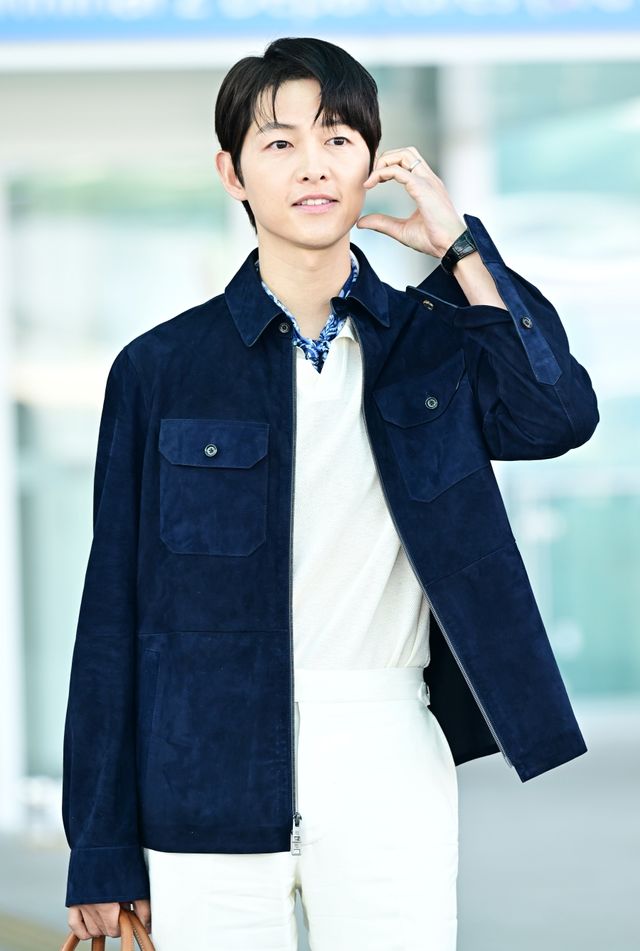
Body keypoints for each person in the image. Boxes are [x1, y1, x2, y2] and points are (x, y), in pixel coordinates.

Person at [62, 36, 599, 950]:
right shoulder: (160, 368)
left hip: (384, 743)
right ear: (232, 173)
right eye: (280, 143)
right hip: (202, 757)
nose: (313, 165)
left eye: (339, 139)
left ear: (373, 163)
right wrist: (101, 846)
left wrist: (460, 247)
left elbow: (557, 414)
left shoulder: (436, 343)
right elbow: (111, 611)